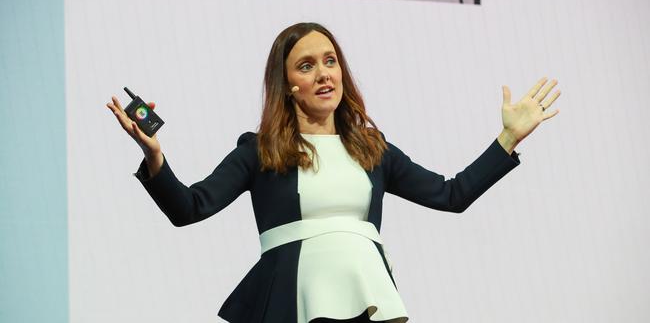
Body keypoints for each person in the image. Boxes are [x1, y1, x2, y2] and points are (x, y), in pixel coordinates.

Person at [106, 22, 561, 323]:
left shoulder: (373, 149)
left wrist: (508, 139)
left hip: (368, 299)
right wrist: (154, 156)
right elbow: (189, 207)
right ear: (288, 85)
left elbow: (451, 194)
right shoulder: (260, 151)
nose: (324, 74)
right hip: (291, 301)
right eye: (307, 66)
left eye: (330, 61)